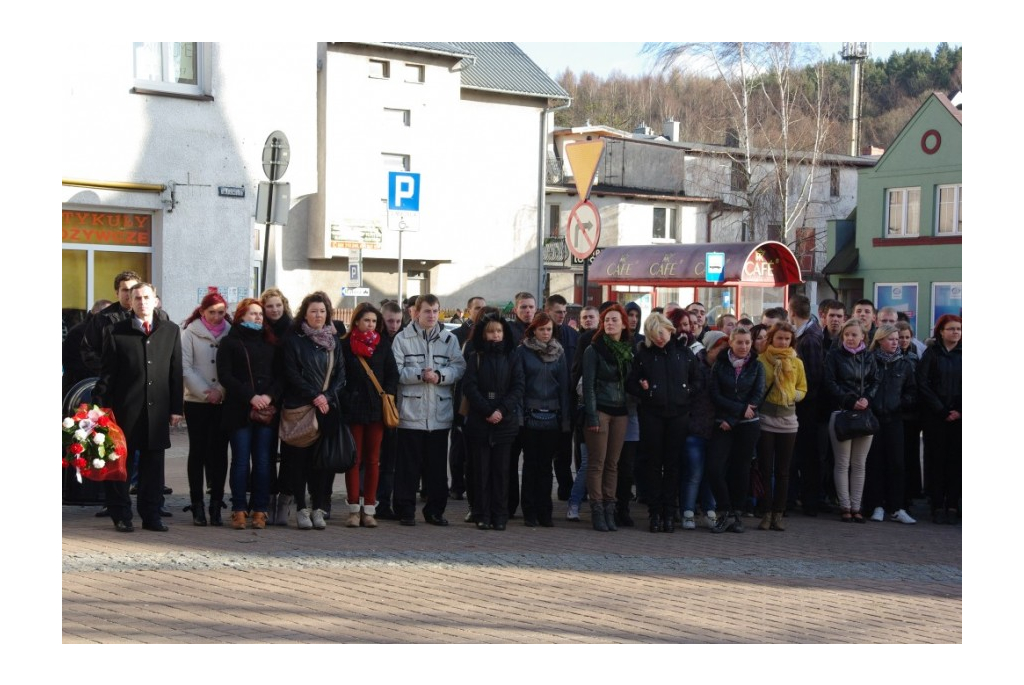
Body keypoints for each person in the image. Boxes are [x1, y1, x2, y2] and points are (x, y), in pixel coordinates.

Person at [92, 283, 183, 533]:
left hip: (157, 411)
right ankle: (121, 515)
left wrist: (176, 408)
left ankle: (151, 515)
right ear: (130, 302)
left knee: (153, 468)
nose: (142, 302)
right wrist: (99, 408)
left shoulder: (171, 331)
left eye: (146, 297)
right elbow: (107, 374)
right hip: (125, 410)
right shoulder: (115, 331)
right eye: (137, 298)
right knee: (122, 467)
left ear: (155, 300)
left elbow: (176, 372)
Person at [392, 294, 466, 526]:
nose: (432, 315)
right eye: (427, 311)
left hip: (439, 415)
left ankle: (435, 511)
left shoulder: (449, 339)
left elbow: (459, 367)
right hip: (410, 414)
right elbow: (395, 370)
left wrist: (440, 376)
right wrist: (419, 375)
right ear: (415, 313)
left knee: (436, 468)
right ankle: (405, 510)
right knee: (408, 467)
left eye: (435, 311)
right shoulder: (402, 338)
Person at [627, 312, 701, 533]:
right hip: (652, 414)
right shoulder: (644, 355)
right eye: (654, 334)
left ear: (670, 330)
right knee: (653, 464)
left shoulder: (684, 353)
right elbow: (631, 382)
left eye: (662, 333)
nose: (659, 338)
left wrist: (687, 392)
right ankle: (654, 512)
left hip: (678, 414)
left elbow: (697, 379)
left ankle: (669, 512)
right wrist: (644, 390)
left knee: (672, 465)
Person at [281, 291, 346, 530]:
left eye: (322, 311)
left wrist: (326, 396)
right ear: (304, 314)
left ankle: (318, 508)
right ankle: (301, 508)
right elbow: (291, 373)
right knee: (299, 462)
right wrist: (315, 396)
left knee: (322, 462)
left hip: (328, 408)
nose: (318, 315)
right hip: (301, 407)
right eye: (313, 311)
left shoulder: (333, 340)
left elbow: (341, 375)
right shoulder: (294, 339)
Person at [217, 298, 282, 530]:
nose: (258, 318)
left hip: (266, 410)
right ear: (241, 316)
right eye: (253, 314)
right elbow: (225, 375)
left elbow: (279, 376)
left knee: (264, 462)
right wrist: (250, 397)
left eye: (260, 314)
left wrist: (268, 397)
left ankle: (260, 510)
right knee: (241, 461)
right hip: (239, 409)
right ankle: (238, 510)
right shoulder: (230, 342)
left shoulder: (271, 342)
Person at [462, 312, 524, 530]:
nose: (495, 335)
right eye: (491, 331)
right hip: (480, 420)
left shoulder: (513, 356)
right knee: (481, 471)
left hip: (505, 421)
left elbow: (518, 386)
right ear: (483, 334)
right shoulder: (475, 356)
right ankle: (482, 513)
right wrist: (488, 410)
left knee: (502, 471)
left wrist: (501, 410)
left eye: (498, 331)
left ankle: (500, 515)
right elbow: (469, 386)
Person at [339, 303, 398, 528]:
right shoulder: (345, 345)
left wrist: (387, 395)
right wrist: (347, 397)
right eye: (367, 321)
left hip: (376, 410)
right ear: (356, 322)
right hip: (353, 409)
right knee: (354, 460)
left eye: (374, 321)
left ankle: (370, 509)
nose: (370, 325)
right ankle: (354, 509)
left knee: (373, 460)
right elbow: (339, 374)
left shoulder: (382, 345)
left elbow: (392, 374)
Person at [707, 327, 766, 533]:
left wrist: (735, 418)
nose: (744, 346)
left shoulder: (757, 366)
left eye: (747, 342)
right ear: (731, 343)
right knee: (714, 468)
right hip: (723, 423)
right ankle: (725, 510)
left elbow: (757, 396)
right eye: (739, 342)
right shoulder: (720, 365)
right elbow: (715, 394)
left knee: (740, 470)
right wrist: (736, 413)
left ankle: (737, 514)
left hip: (747, 426)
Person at [181, 292, 232, 526]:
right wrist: (206, 392)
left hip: (222, 401)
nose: (216, 316)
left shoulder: (230, 331)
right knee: (198, 452)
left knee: (220, 453)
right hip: (197, 401)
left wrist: (220, 390)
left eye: (221, 312)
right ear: (202, 312)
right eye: (212, 312)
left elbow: (233, 367)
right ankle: (197, 504)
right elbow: (186, 367)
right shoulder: (190, 332)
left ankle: (216, 504)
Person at [581, 303, 633, 532]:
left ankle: (610, 509)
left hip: (621, 411)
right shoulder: (594, 349)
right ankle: (597, 510)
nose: (610, 323)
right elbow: (588, 385)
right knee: (597, 463)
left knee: (613, 464)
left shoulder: (628, 349)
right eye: (606, 320)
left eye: (614, 320)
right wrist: (591, 416)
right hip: (600, 409)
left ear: (623, 323)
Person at [516, 311, 570, 527]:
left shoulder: (560, 352)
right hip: (530, 415)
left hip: (553, 417)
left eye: (549, 329)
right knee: (530, 465)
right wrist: (519, 418)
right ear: (533, 330)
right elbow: (519, 386)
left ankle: (545, 511)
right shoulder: (523, 352)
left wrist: (565, 421)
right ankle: (529, 511)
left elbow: (565, 388)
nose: (546, 333)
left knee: (546, 467)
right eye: (541, 329)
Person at [824, 319, 879, 523]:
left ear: (863, 337)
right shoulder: (834, 356)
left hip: (864, 414)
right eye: (847, 334)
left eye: (854, 335)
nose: (850, 338)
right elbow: (830, 383)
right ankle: (845, 506)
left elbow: (875, 380)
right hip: (841, 413)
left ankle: (857, 506)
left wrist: (867, 398)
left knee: (859, 463)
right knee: (842, 462)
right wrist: (849, 400)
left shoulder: (869, 357)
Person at [754, 322, 807, 531]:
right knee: (766, 469)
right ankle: (766, 512)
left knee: (784, 471)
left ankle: (779, 513)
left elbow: (803, 387)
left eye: (787, 339)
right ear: (771, 339)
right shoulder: (761, 361)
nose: (783, 342)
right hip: (766, 418)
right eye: (779, 338)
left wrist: (792, 395)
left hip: (788, 419)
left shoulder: (796, 363)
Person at [863, 324, 918, 525]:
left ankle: (897, 507)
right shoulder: (870, 361)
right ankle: (876, 505)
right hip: (873, 418)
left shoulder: (904, 364)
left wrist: (900, 404)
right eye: (891, 339)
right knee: (875, 462)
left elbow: (912, 391)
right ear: (880, 340)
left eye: (898, 339)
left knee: (897, 463)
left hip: (895, 419)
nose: (896, 342)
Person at [916, 314, 961, 524]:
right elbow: (923, 384)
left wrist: (958, 410)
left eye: (959, 329)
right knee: (936, 460)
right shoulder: (931, 354)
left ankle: (953, 504)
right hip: (935, 417)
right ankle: (935, 503)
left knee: (956, 461)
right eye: (952, 329)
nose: (956, 332)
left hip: (959, 418)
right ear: (941, 331)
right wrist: (942, 410)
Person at [680, 331, 727, 530]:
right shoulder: (695, 366)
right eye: (718, 348)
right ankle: (687, 511)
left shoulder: (725, 369)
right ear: (709, 348)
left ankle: (710, 510)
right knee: (694, 473)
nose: (722, 352)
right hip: (695, 428)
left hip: (716, 429)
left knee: (712, 473)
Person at [788, 294, 826, 518]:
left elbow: (813, 376)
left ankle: (809, 500)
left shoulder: (809, 338)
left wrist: (800, 396)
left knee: (807, 454)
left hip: (807, 407)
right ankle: (802, 497)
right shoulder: (808, 334)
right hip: (805, 405)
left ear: (792, 312)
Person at [259, 287, 294, 525]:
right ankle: (267, 499)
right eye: (269, 306)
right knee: (267, 453)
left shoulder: (293, 329)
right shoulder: (259, 330)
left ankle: (285, 500)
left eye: (278, 305)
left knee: (291, 454)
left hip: (291, 399)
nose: (274, 310)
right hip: (268, 399)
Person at [545, 295, 579, 501]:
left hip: (567, 399)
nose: (562, 315)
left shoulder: (572, 335)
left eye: (564, 312)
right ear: (548, 310)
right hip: (545, 400)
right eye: (558, 311)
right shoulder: (540, 334)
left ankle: (565, 488)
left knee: (564, 450)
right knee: (544, 452)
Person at [375, 299, 405, 520]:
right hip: (377, 405)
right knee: (373, 457)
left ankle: (384, 502)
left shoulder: (403, 340)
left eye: (397, 321)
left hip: (397, 408)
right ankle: (369, 500)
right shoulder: (376, 341)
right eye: (389, 321)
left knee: (391, 461)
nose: (393, 325)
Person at [80, 270, 141, 375]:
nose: (130, 293)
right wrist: (109, 371)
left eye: (133, 289)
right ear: (117, 293)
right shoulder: (102, 318)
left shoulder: (153, 316)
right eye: (125, 290)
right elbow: (88, 350)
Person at [895, 320, 924, 510]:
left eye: (907, 337)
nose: (904, 341)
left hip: (912, 415)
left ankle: (910, 494)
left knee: (911, 456)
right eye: (901, 337)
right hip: (895, 413)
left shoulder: (914, 358)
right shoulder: (891, 357)